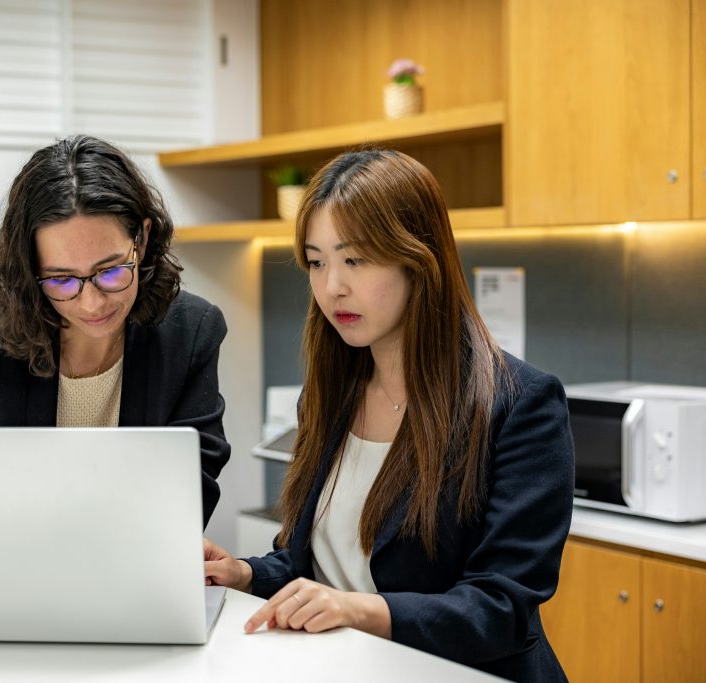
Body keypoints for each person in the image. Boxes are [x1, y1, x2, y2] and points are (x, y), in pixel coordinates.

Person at [204, 148, 573, 681]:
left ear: (417, 259)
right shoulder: (330, 395)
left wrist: (357, 610)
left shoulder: (520, 405)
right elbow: (306, 564)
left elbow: (502, 609)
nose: (333, 287)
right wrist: (242, 573)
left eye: (355, 260)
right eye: (316, 261)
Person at [0, 135, 230, 526]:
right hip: (9, 565)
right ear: (30, 269)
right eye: (61, 280)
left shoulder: (191, 333)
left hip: (133, 567)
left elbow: (188, 496)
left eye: (110, 272)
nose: (92, 303)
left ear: (140, 240)